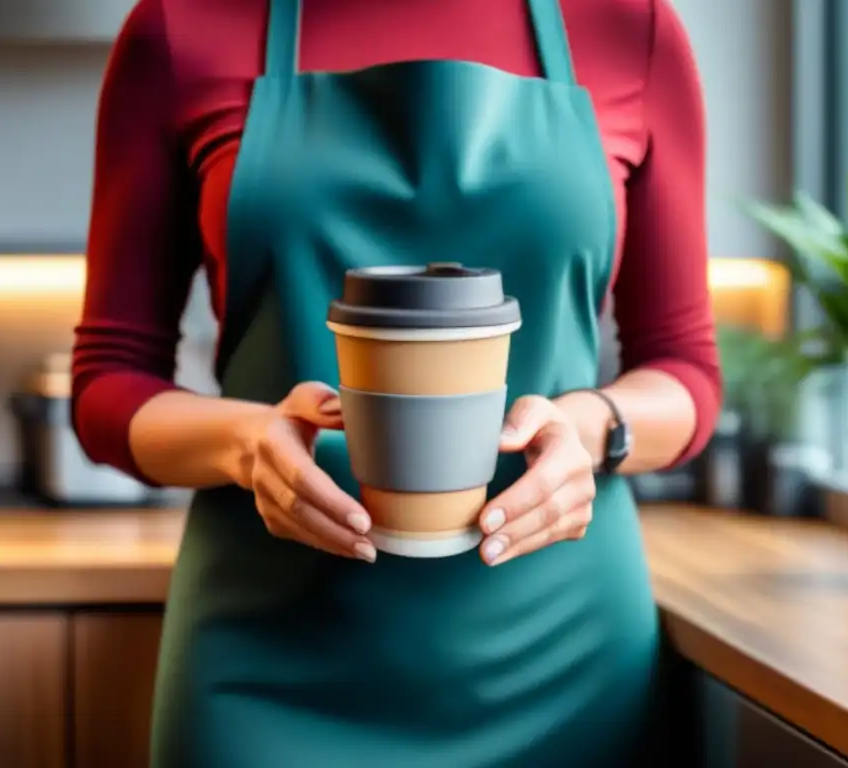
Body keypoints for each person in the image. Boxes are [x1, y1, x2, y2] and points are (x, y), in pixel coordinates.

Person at [72, 0, 720, 764]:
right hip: (270, 660)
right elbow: (108, 383)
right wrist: (248, 445)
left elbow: (687, 371)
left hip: (560, 659)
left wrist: (590, 428)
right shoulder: (180, 28)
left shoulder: (629, 27)